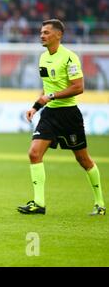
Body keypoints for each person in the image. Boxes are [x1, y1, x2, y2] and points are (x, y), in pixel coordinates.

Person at [18, 19, 105, 216]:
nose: (42, 35)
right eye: (41, 32)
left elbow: (78, 87)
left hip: (69, 115)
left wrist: (50, 96)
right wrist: (36, 107)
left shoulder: (69, 58)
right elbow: (47, 88)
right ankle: (39, 204)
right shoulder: (42, 58)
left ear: (58, 35)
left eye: (47, 32)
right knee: (34, 153)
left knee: (83, 159)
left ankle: (100, 203)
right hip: (49, 114)